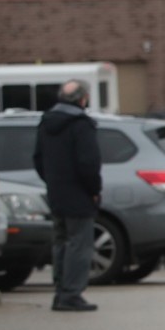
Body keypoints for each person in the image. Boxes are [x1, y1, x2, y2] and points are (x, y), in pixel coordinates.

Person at [32, 80, 103, 312]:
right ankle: (72, 294)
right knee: (79, 245)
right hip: (79, 194)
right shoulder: (81, 125)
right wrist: (94, 190)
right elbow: (88, 164)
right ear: (83, 99)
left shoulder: (46, 122)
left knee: (61, 242)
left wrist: (52, 182)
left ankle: (61, 291)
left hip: (56, 193)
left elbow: (38, 159)